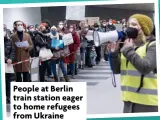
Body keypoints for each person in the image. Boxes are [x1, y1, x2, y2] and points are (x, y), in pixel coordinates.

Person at [109, 14, 157, 113]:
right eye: (129, 24)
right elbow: (117, 70)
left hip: (147, 103)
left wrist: (128, 51)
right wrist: (114, 54)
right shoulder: (129, 45)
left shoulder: (153, 45)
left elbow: (146, 67)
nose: (130, 27)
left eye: (134, 24)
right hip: (128, 101)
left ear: (143, 28)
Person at [4, 26, 15, 103]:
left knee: (8, 81)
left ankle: (9, 96)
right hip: (3, 62)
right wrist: (5, 59)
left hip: (8, 64)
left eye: (4, 29)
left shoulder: (9, 40)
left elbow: (13, 51)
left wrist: (10, 58)